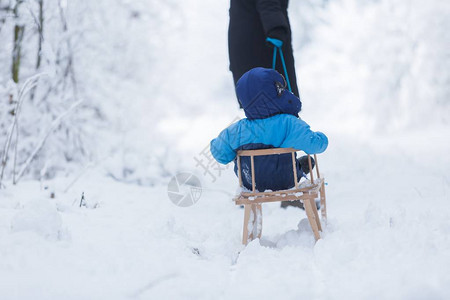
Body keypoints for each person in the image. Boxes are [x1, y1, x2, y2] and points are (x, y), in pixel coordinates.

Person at [210, 68, 327, 207]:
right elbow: (315, 145)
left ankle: (279, 168)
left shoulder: (237, 130)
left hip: (251, 183)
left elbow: (220, 155)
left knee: (252, 165)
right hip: (286, 181)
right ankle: (297, 168)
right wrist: (322, 137)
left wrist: (226, 148)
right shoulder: (288, 123)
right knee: (307, 161)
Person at [228, 0, 299, 107]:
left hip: (246, 39)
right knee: (275, 104)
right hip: (261, 41)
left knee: (256, 105)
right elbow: (268, 3)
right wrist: (275, 27)